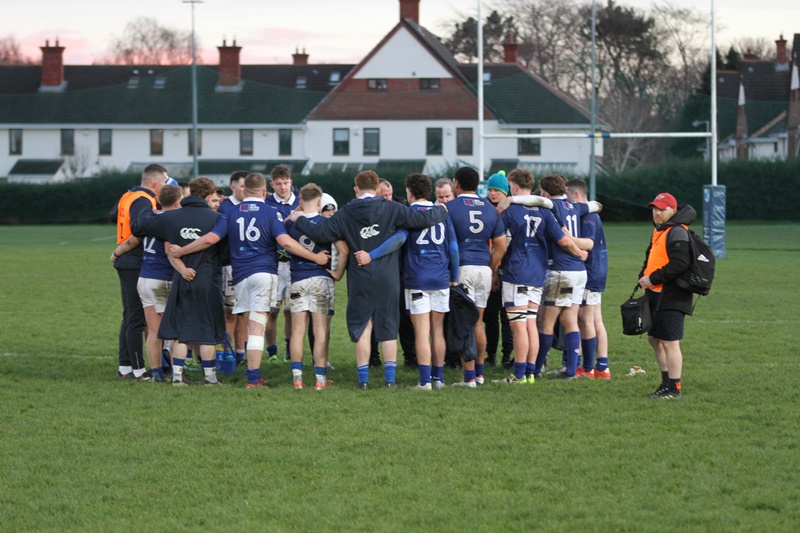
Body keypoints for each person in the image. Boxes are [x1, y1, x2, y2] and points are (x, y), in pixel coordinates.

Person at [288, 170, 448, 389]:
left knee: (362, 326)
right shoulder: (392, 208)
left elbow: (322, 233)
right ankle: (390, 380)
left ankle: (363, 380)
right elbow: (422, 219)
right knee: (388, 326)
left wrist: (299, 219)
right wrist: (441, 209)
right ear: (376, 188)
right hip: (388, 276)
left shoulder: (347, 211)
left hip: (360, 275)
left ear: (356, 188)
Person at [169, 173, 330, 389]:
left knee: (248, 323)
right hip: (264, 273)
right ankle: (253, 378)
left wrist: (181, 251)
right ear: (264, 192)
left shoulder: (231, 212)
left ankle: (250, 372)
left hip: (240, 275)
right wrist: (315, 257)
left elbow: (211, 239)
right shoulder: (270, 212)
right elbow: (286, 243)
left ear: (244, 191)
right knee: (256, 327)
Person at [496, 169, 586, 384]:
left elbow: (501, 244)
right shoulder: (545, 212)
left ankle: (519, 375)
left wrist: (493, 268)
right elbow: (563, 240)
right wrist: (579, 253)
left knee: (519, 326)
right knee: (530, 324)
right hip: (538, 274)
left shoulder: (510, 210)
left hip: (516, 272)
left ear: (514, 186)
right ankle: (530, 373)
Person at [134, 177, 226, 386]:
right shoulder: (218, 218)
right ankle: (210, 378)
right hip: (207, 278)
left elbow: (141, 225)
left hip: (181, 277)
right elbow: (221, 247)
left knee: (181, 330)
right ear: (209, 196)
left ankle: (177, 377)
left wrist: (148, 208)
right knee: (207, 331)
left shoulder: (171, 218)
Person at [388, 173, 459, 390]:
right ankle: (439, 379)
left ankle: (425, 381)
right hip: (440, 277)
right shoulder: (443, 213)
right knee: (437, 330)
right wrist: (454, 276)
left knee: (421, 332)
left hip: (417, 277)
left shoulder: (408, 214)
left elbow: (400, 240)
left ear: (410, 192)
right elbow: (453, 249)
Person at [111, 184, 184, 381]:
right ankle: (177, 376)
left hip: (145, 278)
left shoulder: (149, 219)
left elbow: (133, 240)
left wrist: (116, 253)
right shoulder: (173, 222)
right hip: (163, 279)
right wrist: (184, 270)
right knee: (175, 332)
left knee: (153, 331)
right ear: (178, 202)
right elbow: (170, 251)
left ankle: (156, 373)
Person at [447, 166, 507, 387]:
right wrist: (490, 267)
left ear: (456, 183)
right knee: (477, 323)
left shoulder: (449, 208)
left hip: (462, 269)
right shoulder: (491, 210)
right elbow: (501, 246)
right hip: (483, 269)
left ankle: (469, 377)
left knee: (463, 324)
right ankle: (480, 374)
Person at [284, 184, 348, 390]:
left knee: (297, 331)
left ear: (300, 202)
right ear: (320, 202)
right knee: (320, 331)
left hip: (298, 279)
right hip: (321, 279)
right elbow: (344, 251)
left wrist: (296, 211)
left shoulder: (292, 223)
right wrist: (338, 273)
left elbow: (283, 229)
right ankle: (320, 380)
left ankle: (297, 378)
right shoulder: (327, 223)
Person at [530, 174, 594, 380]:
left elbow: (562, 241)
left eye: (542, 191)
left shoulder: (550, 207)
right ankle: (571, 370)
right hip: (578, 272)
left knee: (545, 322)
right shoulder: (575, 206)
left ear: (546, 193)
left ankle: (536, 369)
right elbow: (595, 205)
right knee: (569, 319)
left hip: (561, 271)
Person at [112, 163, 167, 380]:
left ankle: (125, 367)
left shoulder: (129, 195)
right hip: (134, 259)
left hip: (126, 259)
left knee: (129, 316)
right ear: (154, 183)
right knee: (136, 317)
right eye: (164, 183)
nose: (165, 187)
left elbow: (112, 215)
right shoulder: (144, 200)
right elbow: (139, 228)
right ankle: (138, 370)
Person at [638, 192, 695, 399]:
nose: (657, 212)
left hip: (673, 295)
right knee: (654, 339)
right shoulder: (659, 230)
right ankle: (665, 383)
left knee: (670, 342)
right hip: (656, 294)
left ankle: (674, 388)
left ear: (673, 210)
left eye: (662, 209)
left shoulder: (677, 231)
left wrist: (652, 278)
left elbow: (681, 263)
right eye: (655, 208)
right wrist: (643, 278)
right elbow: (652, 258)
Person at [565, 178, 610, 379]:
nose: (566, 199)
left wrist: (568, 238)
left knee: (586, 319)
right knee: (595, 319)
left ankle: (589, 368)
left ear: (576, 195)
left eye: (567, 194)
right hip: (597, 270)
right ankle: (601, 367)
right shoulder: (589, 213)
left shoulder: (588, 216)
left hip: (591, 272)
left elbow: (588, 244)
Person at [264, 164, 299, 363]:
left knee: (291, 311)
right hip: (274, 263)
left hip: (295, 264)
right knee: (272, 311)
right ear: (272, 185)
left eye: (285, 183)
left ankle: (289, 350)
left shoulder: (300, 202)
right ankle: (272, 353)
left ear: (291, 182)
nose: (283, 187)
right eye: (278, 184)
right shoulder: (267, 203)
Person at [482, 171, 514, 368]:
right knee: (490, 317)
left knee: (507, 317)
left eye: (497, 190)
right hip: (489, 268)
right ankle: (491, 354)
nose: (492, 193)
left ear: (505, 192)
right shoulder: (485, 210)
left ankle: (507, 355)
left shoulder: (510, 211)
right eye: (490, 190)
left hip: (507, 270)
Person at [218, 170, 249, 365]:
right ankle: (226, 353)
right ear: (233, 187)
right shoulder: (224, 207)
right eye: (242, 186)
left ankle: (240, 353)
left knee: (244, 312)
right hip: (229, 265)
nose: (245, 190)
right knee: (230, 312)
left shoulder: (253, 205)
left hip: (247, 266)